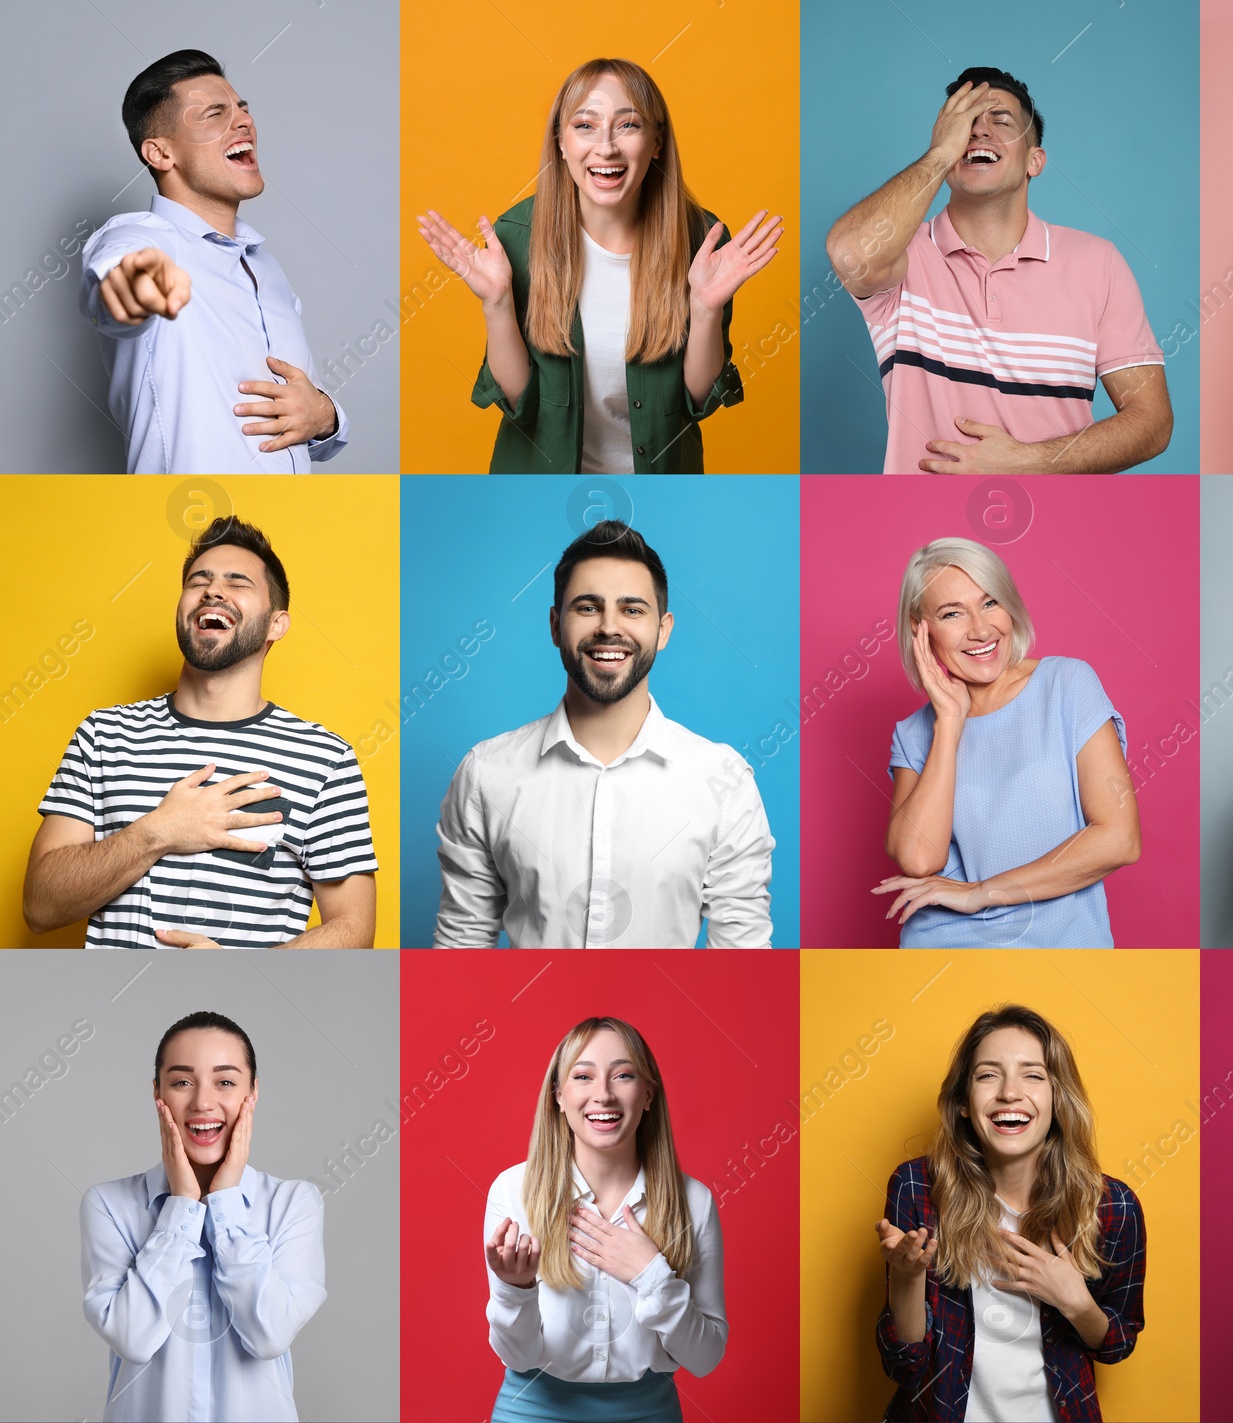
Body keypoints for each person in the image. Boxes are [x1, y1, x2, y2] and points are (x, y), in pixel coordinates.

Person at [24, 517, 378, 948]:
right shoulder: (103, 735)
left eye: (238, 582)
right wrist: (159, 831)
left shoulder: (325, 757)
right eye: (199, 581)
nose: (212, 590)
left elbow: (354, 931)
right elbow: (40, 908)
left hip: (242, 1011)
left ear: (276, 625)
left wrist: (242, 972)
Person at [418, 57, 780, 474]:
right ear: (560, 141)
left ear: (657, 141)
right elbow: (522, 403)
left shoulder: (704, 239)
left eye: (628, 125)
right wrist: (497, 303)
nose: (606, 147)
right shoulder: (516, 237)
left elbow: (693, 403)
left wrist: (706, 310)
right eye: (584, 126)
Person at [433, 520, 773, 948]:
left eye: (632, 609)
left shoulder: (724, 780)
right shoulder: (486, 774)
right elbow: (462, 947)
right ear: (556, 625)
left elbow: (742, 962)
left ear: (663, 629)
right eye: (588, 607)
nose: (609, 627)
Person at [826, 66, 1171, 475]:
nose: (979, 131)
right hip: (924, 520)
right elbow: (850, 253)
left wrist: (1026, 461)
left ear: (1035, 160)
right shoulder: (903, 256)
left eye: (1000, 120)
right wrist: (939, 155)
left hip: (1057, 523)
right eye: (965, 123)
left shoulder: (1099, 263)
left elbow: (1152, 423)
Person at [81, 50, 349, 474]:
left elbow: (300, 424)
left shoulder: (268, 269)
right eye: (214, 114)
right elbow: (117, 287)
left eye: (243, 109)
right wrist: (130, 291)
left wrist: (325, 414)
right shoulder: (138, 238)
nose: (243, 122)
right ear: (160, 154)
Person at [875, 1005, 1144, 1422]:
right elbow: (906, 1366)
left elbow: (1117, 1344)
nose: (1009, 1092)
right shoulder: (917, 1189)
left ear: (1058, 1098)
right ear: (964, 1102)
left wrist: (1076, 1302)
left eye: (1033, 1075)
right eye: (987, 1075)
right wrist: (908, 1278)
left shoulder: (1113, 1206)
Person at [874, 538, 1139, 948]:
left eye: (990, 602)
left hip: (1061, 950)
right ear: (919, 627)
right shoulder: (914, 733)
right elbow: (919, 859)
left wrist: (982, 892)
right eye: (952, 613)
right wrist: (949, 722)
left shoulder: (1066, 685)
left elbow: (1119, 839)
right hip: (944, 950)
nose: (980, 629)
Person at [81, 1012, 325, 1422]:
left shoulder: (294, 1203)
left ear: (253, 1092)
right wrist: (182, 1208)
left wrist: (225, 1200)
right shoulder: (108, 1204)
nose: (202, 1102)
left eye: (225, 1081)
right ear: (157, 1092)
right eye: (182, 1082)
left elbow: (269, 1336)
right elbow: (133, 1338)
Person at [484, 1016, 724, 1422]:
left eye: (623, 1075)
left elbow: (705, 1358)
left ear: (648, 1094)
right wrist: (514, 1290)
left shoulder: (694, 1201)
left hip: (650, 1412)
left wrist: (652, 1275)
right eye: (583, 1076)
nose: (604, 1095)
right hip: (532, 1410)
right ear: (558, 1096)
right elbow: (517, 1356)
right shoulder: (512, 1190)